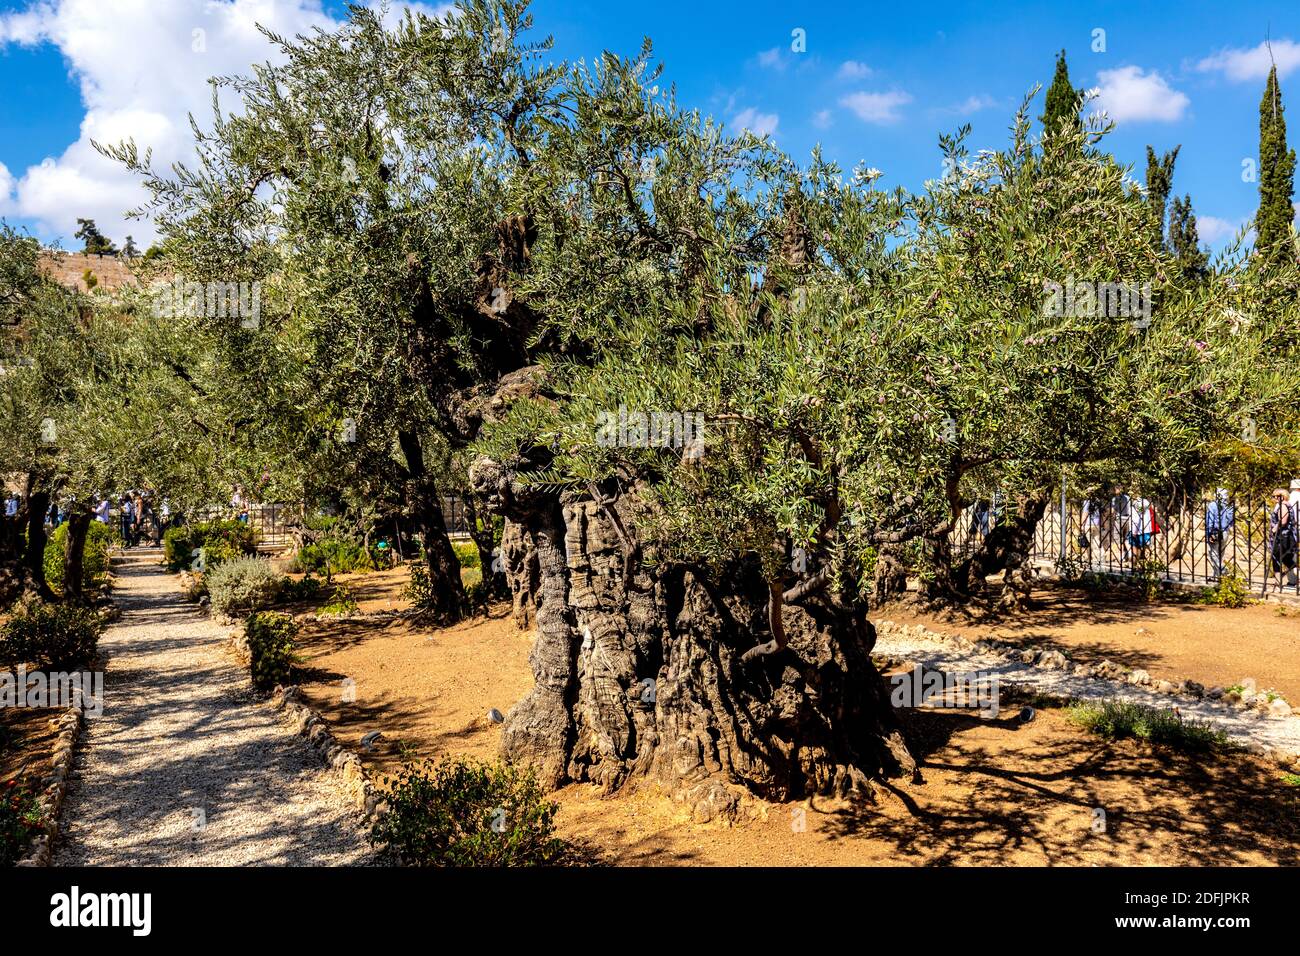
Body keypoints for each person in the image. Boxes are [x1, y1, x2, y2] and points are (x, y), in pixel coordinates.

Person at [1269, 488, 1298, 593]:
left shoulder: (1283, 506)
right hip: (1286, 537)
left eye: (1276, 496)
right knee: (1284, 559)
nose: (1274, 498)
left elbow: (1283, 520)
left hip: (1282, 537)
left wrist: (1274, 528)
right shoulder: (1289, 505)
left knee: (1278, 558)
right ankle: (1278, 582)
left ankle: (1278, 582)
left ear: (1282, 496)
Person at [1204, 489, 1234, 580]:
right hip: (1225, 532)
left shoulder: (1213, 505)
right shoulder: (1230, 506)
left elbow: (1210, 520)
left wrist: (1209, 533)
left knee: (1213, 554)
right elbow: (1231, 520)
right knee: (1220, 554)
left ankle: (1224, 572)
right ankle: (1216, 576)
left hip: (1215, 532)